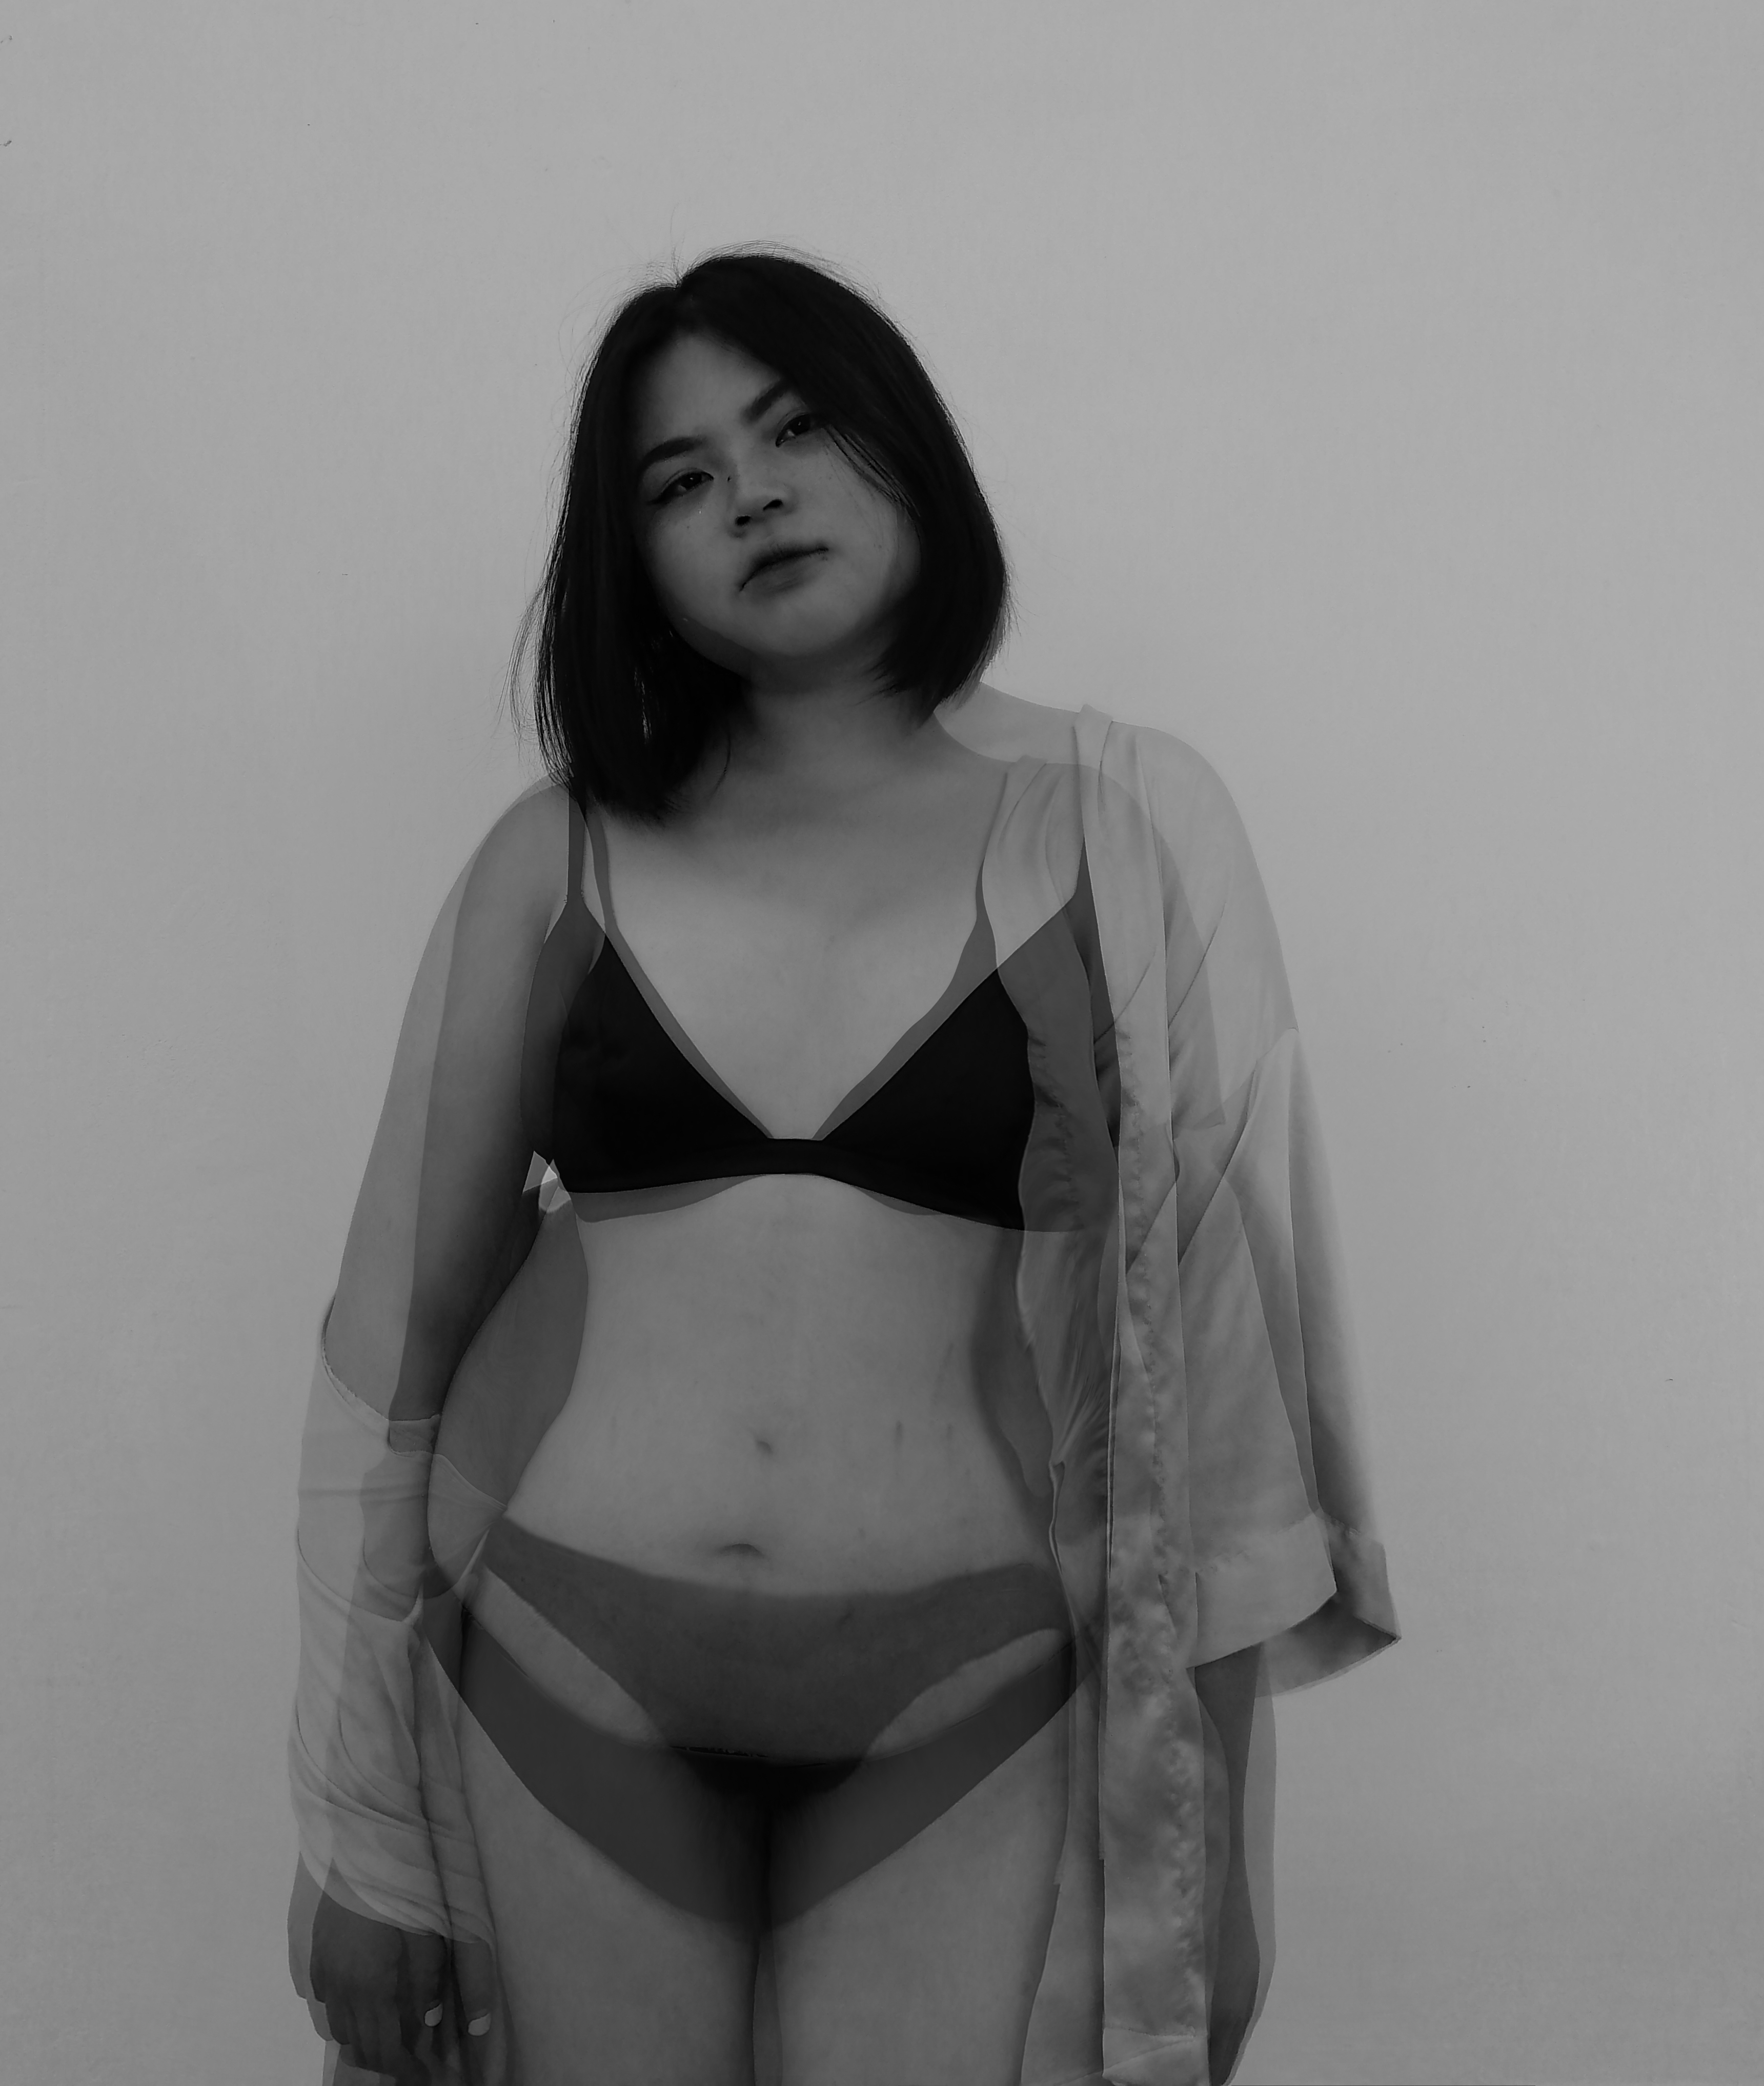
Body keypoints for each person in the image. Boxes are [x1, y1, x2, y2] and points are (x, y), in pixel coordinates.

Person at [286, 248, 1398, 2086]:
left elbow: (1221, 1391)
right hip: (561, 1665)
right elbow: (384, 1363)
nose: (754, 494)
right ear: (631, 555)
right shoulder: (554, 859)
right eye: (683, 478)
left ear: (902, 442)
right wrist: (363, 1835)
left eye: (795, 428)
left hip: (976, 1693)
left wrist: (1200, 1849)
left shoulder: (1117, 828)